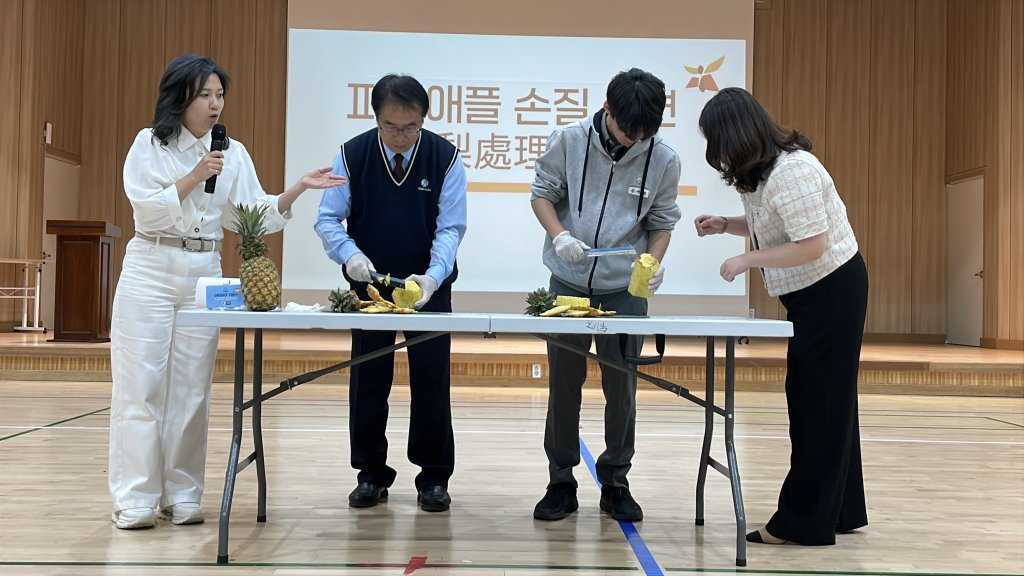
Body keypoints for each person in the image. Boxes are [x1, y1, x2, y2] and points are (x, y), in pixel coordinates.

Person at [109, 54, 345, 530]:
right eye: (205, 95)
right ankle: (135, 498)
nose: (215, 105)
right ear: (180, 97)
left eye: (220, 95)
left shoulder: (232, 152)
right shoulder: (148, 144)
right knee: (141, 387)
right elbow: (147, 210)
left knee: (192, 391)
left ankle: (182, 493)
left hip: (204, 270)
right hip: (151, 266)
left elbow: (248, 215)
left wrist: (296, 189)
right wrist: (196, 174)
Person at [695, 87, 869, 545]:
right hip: (815, 292)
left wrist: (746, 260)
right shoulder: (765, 172)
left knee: (816, 403)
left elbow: (811, 244)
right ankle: (840, 509)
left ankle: (803, 522)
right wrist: (726, 224)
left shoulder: (794, 170)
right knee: (829, 401)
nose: (716, 155)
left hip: (831, 290)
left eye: (716, 142)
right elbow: (774, 222)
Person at [529, 68, 682, 522]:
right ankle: (561, 480)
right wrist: (559, 236)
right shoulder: (569, 141)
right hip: (568, 283)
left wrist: (651, 262)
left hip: (623, 290)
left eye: (644, 135)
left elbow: (662, 221)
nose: (633, 141)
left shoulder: (664, 159)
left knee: (623, 389)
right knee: (563, 385)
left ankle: (616, 481)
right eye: (625, 130)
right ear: (607, 109)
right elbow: (542, 195)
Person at [315, 74, 467, 513]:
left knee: (431, 382)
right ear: (375, 117)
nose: (400, 137)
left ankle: (434, 478)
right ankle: (370, 473)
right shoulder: (351, 154)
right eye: (390, 127)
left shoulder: (446, 157)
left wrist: (433, 277)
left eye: (410, 127)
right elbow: (328, 219)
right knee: (368, 380)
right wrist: (349, 255)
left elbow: (451, 227)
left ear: (424, 119)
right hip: (370, 288)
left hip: (429, 288)